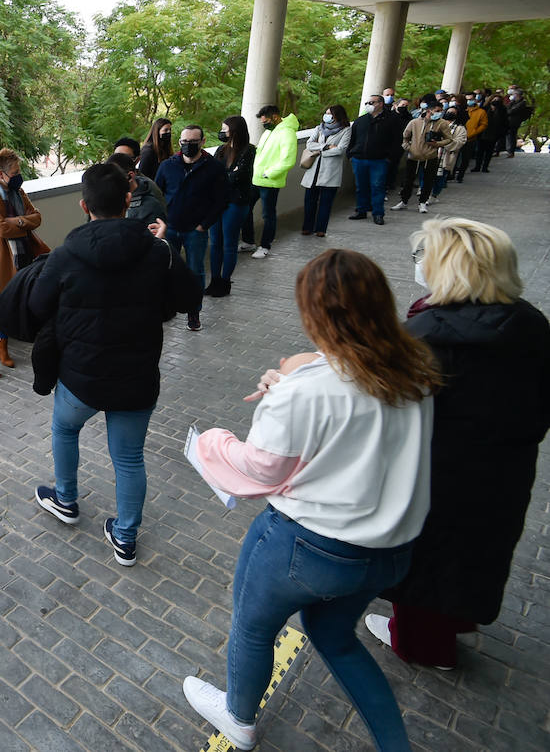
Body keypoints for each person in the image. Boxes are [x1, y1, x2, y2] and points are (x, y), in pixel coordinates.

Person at [184, 248, 440, 752]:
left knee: (253, 628)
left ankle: (238, 719)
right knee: (336, 638)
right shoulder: (415, 370)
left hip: (309, 547)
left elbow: (259, 468)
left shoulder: (306, 392)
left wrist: (214, 441)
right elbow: (351, 411)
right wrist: (295, 377)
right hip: (388, 552)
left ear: (315, 314)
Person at [366, 219, 550, 671]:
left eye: (424, 257)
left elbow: (381, 411)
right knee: (474, 557)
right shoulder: (528, 323)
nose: (420, 266)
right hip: (503, 470)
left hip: (438, 477)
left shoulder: (429, 337)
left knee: (427, 565)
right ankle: (449, 626)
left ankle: (422, 647)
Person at [28, 164, 199, 565]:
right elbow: (191, 297)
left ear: (83, 205)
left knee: (64, 429)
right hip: (137, 378)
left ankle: (66, 500)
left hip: (79, 378)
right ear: (128, 199)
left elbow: (37, 306)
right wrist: (168, 248)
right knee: (128, 457)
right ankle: (124, 536)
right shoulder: (157, 251)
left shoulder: (67, 253)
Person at [0, 148, 45, 376]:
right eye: (15, 171)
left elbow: (37, 217)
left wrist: (17, 220)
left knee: (10, 308)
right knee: (1, 311)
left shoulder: (18, 192)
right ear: (1, 174)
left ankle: (1, 347)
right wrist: (23, 222)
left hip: (22, 256)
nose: (19, 175)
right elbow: (0, 228)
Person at [154, 125, 227, 331]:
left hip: (196, 231)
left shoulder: (214, 168)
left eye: (193, 142)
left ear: (203, 142)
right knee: (165, 270)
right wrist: (161, 222)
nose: (188, 146)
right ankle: (166, 307)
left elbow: (221, 200)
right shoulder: (168, 166)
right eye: (184, 142)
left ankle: (194, 313)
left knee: (196, 272)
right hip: (169, 228)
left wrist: (204, 225)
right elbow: (157, 194)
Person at [208, 115, 255, 295]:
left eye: (224, 129)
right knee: (215, 243)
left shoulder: (248, 150)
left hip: (236, 202)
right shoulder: (221, 149)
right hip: (218, 202)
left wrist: (226, 176)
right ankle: (214, 281)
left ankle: (225, 282)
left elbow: (240, 176)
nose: (222, 132)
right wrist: (228, 174)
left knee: (229, 243)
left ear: (234, 131)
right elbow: (212, 174)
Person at [249, 105, 297, 259]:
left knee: (268, 215)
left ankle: (265, 246)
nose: (264, 124)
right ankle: (248, 241)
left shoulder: (287, 133)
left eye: (266, 121)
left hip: (269, 182)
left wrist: (268, 174)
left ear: (275, 117)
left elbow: (288, 160)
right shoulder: (269, 131)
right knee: (244, 209)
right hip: (255, 179)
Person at [299, 104, 350, 238]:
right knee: (309, 201)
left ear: (337, 116)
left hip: (330, 171)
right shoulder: (319, 128)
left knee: (325, 203)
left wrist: (320, 150)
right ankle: (307, 227)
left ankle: (321, 229)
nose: (327, 116)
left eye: (330, 114)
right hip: (313, 170)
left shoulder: (345, 130)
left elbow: (340, 150)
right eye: (326, 113)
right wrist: (326, 147)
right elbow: (309, 144)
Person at [346, 93, 398, 224]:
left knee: (377, 187)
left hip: (379, 160)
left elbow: (396, 141)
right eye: (367, 103)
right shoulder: (361, 120)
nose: (368, 105)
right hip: (359, 159)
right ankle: (361, 210)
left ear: (380, 104)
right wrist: (350, 154)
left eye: (371, 103)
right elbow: (352, 139)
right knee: (360, 187)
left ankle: (378, 213)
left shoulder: (391, 120)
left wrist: (390, 157)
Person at [396, 96, 451, 214]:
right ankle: (404, 201)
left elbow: (449, 139)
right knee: (408, 180)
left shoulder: (442, 124)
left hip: (430, 156)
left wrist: (437, 144)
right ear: (429, 110)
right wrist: (408, 147)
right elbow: (405, 136)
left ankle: (422, 202)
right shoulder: (415, 122)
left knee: (428, 181)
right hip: (413, 156)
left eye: (441, 111)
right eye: (437, 111)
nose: (439, 113)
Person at [108, 143, 167, 225]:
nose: (111, 183)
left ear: (130, 176)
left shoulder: (151, 205)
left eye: (115, 178)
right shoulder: (109, 197)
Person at [431, 100, 467, 203]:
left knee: (440, 178)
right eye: (448, 112)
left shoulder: (460, 128)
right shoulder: (437, 123)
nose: (450, 114)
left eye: (453, 113)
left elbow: (460, 142)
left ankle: (434, 195)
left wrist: (443, 142)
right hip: (433, 154)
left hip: (446, 156)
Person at [454, 92, 487, 182]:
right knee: (454, 156)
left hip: (470, 138)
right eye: (467, 99)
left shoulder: (481, 112)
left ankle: (460, 176)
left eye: (471, 99)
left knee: (465, 158)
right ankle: (452, 174)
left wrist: (474, 132)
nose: (469, 101)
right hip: (457, 137)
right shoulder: (460, 110)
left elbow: (483, 124)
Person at [137, 117, 173, 184]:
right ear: (157, 131)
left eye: (170, 130)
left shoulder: (165, 149)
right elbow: (142, 175)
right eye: (165, 130)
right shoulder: (148, 151)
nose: (169, 132)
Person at [478, 93, 508, 171]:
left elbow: (504, 122)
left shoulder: (502, 110)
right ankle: (478, 166)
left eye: (498, 100)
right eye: (494, 100)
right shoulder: (485, 108)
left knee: (489, 151)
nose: (496, 102)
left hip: (494, 133)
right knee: (480, 151)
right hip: (483, 132)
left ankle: (485, 167)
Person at [506, 85, 534, 153]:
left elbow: (512, 111)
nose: (513, 95)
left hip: (515, 121)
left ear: (518, 95)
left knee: (512, 135)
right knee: (510, 135)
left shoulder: (522, 102)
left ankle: (511, 150)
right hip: (510, 120)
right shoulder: (514, 102)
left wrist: (509, 110)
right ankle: (509, 149)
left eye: (515, 94)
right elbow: (507, 108)